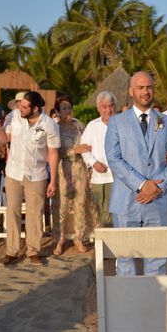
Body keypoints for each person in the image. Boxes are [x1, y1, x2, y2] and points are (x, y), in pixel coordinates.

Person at [104, 71, 167, 276]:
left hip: (158, 199)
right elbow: (113, 158)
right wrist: (141, 184)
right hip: (126, 200)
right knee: (126, 259)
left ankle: (154, 305)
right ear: (131, 91)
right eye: (140, 87)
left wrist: (158, 186)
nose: (145, 91)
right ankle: (128, 306)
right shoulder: (116, 122)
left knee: (157, 260)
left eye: (149, 87)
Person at [0, 91, 60, 266]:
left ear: (35, 108)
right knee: (12, 211)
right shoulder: (14, 116)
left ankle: (33, 251)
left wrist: (53, 180)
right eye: (19, 105)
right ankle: (12, 252)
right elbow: (3, 139)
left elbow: (53, 153)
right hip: (13, 172)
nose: (19, 108)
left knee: (35, 213)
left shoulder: (50, 125)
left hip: (37, 174)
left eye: (23, 106)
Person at [52, 95, 98, 255]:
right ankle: (60, 239)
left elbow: (88, 144)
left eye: (69, 107)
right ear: (57, 111)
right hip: (63, 170)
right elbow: (54, 152)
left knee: (80, 203)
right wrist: (74, 150)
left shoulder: (79, 125)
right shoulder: (55, 128)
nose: (67, 111)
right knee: (62, 205)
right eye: (63, 108)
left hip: (80, 169)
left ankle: (79, 237)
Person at [81, 91, 116, 228]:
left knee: (113, 212)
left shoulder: (122, 123)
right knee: (99, 212)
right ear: (98, 108)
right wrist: (94, 163)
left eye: (111, 106)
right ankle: (102, 245)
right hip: (98, 176)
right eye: (104, 106)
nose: (108, 110)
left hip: (117, 177)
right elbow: (84, 149)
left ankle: (113, 245)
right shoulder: (92, 125)